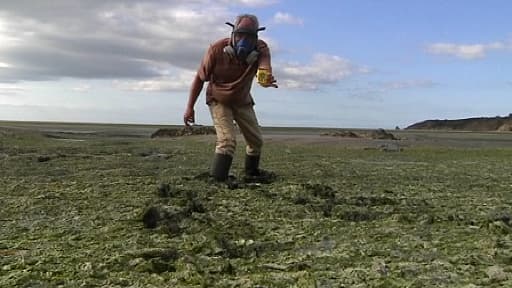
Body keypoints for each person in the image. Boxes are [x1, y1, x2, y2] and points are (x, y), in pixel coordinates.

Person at [183, 14, 277, 181]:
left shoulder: (261, 49)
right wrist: (190, 107)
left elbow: (264, 68)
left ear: (256, 36)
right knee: (227, 141)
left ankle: (251, 173)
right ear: (233, 33)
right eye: (240, 34)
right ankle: (218, 179)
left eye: (250, 36)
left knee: (256, 142)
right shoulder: (216, 50)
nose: (244, 40)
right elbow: (199, 78)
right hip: (219, 99)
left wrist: (265, 79)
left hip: (242, 100)